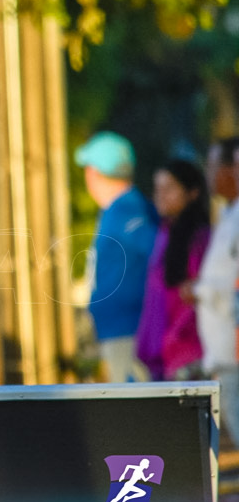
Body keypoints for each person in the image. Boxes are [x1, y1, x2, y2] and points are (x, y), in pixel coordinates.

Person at [75, 131, 158, 382]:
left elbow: (157, 256)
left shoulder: (126, 209)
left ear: (94, 172)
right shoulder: (118, 209)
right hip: (120, 329)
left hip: (129, 330)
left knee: (134, 410)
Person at [135, 160, 211, 380]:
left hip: (187, 356)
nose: (160, 195)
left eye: (169, 188)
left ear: (193, 192)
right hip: (161, 357)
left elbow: (194, 298)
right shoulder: (164, 233)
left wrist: (173, 340)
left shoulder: (199, 239)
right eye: (157, 188)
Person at [194, 137, 239, 440]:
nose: (209, 174)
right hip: (224, 347)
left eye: (214, 165)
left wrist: (202, 291)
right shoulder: (228, 214)